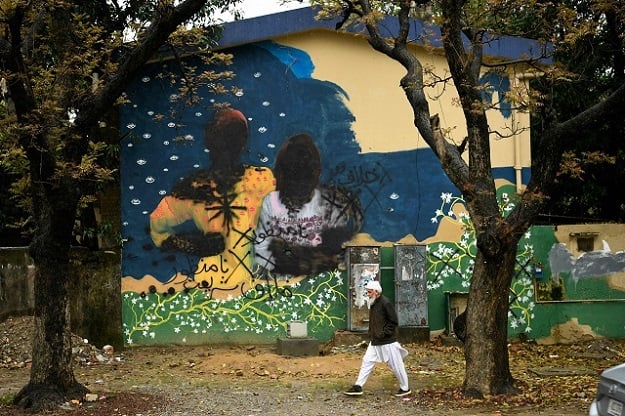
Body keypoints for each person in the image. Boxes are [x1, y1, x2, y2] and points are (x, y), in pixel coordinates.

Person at [149, 108, 275, 297]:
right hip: (222, 288)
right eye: (225, 138)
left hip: (230, 286)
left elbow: (158, 226)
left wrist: (191, 245)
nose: (226, 145)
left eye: (231, 138)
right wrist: (193, 245)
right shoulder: (261, 180)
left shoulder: (195, 186)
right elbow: (158, 225)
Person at [253, 133, 362, 278]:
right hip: (282, 285)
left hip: (316, 285)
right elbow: (261, 250)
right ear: (283, 175)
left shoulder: (329, 204)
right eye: (295, 176)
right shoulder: (271, 202)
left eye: (305, 177)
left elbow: (336, 257)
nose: (300, 183)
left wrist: (289, 258)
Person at [343, 280, 411, 397]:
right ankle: (358, 386)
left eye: (369, 292)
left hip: (387, 341)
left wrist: (384, 333)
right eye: (367, 292)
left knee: (396, 365)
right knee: (367, 361)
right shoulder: (374, 302)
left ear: (376, 292)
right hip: (375, 340)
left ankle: (405, 388)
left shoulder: (385, 303)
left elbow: (393, 321)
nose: (367, 294)